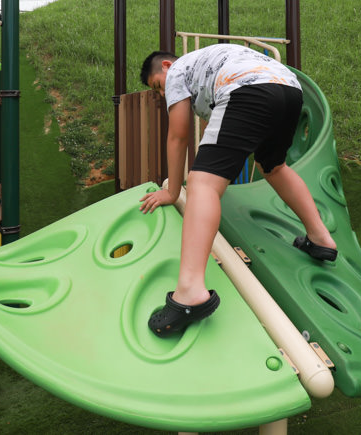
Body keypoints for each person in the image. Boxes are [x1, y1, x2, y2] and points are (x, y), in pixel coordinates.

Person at [138, 44, 338, 338]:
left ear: (166, 65)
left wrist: (171, 191)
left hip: (249, 90)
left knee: (201, 182)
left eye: (158, 87)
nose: (163, 94)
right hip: (289, 89)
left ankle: (190, 290)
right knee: (274, 166)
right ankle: (321, 239)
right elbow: (221, 132)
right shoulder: (211, 64)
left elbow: (178, 135)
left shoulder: (179, 71)